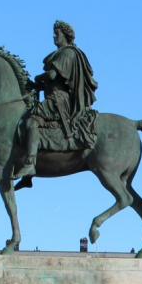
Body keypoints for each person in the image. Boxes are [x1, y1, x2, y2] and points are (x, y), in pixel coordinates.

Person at [15, 20, 98, 186]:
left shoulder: (68, 53)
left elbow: (53, 75)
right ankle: (27, 175)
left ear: (65, 36)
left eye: (57, 33)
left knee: (31, 122)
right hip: (53, 97)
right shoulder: (61, 53)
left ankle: (30, 165)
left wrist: (39, 78)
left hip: (59, 101)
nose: (54, 36)